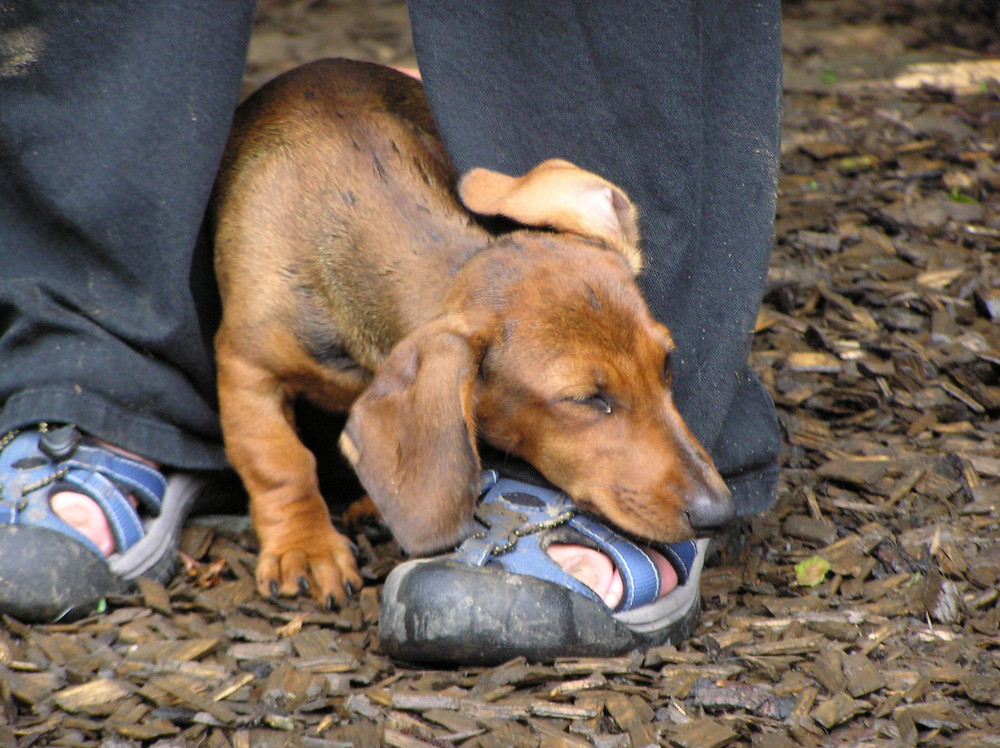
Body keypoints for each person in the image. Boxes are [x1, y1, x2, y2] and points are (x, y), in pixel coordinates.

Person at [0, 0, 781, 661]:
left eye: (661, 367)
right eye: (594, 400)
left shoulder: (536, 274)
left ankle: (533, 490)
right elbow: (248, 365)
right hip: (310, 221)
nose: (705, 498)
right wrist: (289, 508)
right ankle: (97, 387)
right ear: (446, 391)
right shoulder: (297, 312)